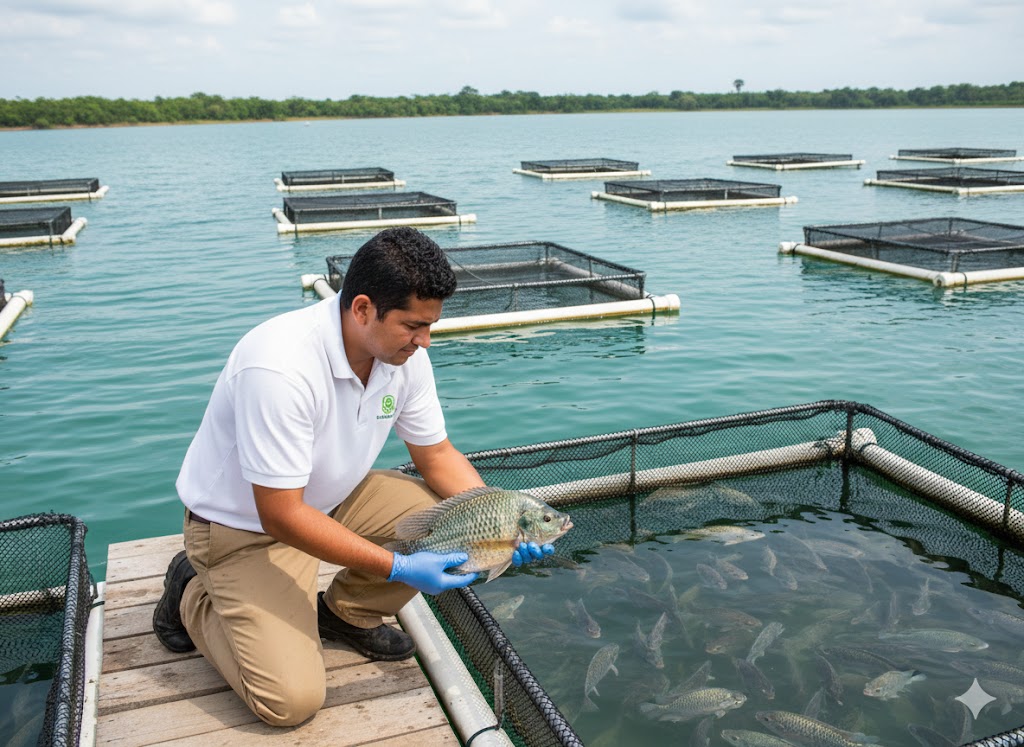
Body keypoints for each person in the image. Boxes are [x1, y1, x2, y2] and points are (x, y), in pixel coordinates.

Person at [153, 227, 551, 727]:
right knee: (289, 702)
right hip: (246, 530)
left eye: (430, 325)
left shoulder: (404, 356)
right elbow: (280, 515)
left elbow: (437, 455)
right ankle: (192, 591)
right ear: (362, 308)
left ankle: (346, 614)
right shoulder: (279, 366)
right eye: (413, 326)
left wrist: (507, 520)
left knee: (439, 512)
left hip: (331, 499)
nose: (425, 341)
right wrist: (399, 567)